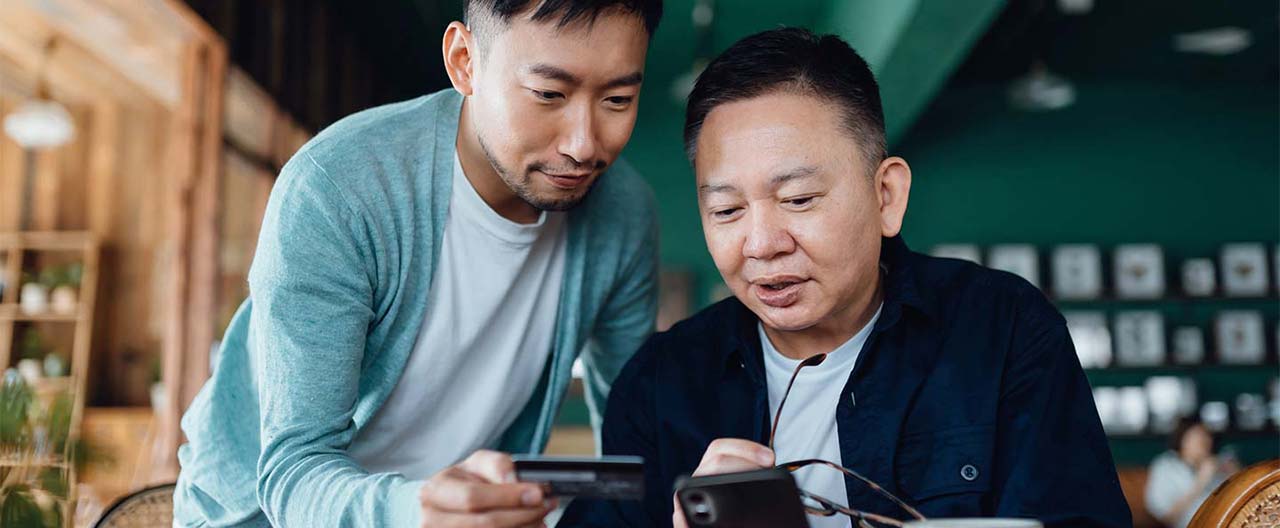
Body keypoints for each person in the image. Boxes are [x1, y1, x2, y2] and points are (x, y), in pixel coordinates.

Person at [559, 27, 1131, 528]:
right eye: (727, 211)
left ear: (886, 196)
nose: (760, 244)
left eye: (799, 198)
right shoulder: (661, 385)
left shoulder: (1003, 331)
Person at [173, 1, 664, 526]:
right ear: (464, 61)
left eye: (618, 99)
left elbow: (633, 438)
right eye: (549, 94)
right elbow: (293, 471)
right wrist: (418, 511)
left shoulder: (624, 217)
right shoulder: (338, 188)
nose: (584, 145)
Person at [1144, 418, 1240, 527]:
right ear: (1182, 440)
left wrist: (1236, 476)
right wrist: (1201, 481)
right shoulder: (1165, 466)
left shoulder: (1216, 463)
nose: (1205, 442)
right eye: (1197, 437)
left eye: (1206, 436)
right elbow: (1166, 518)